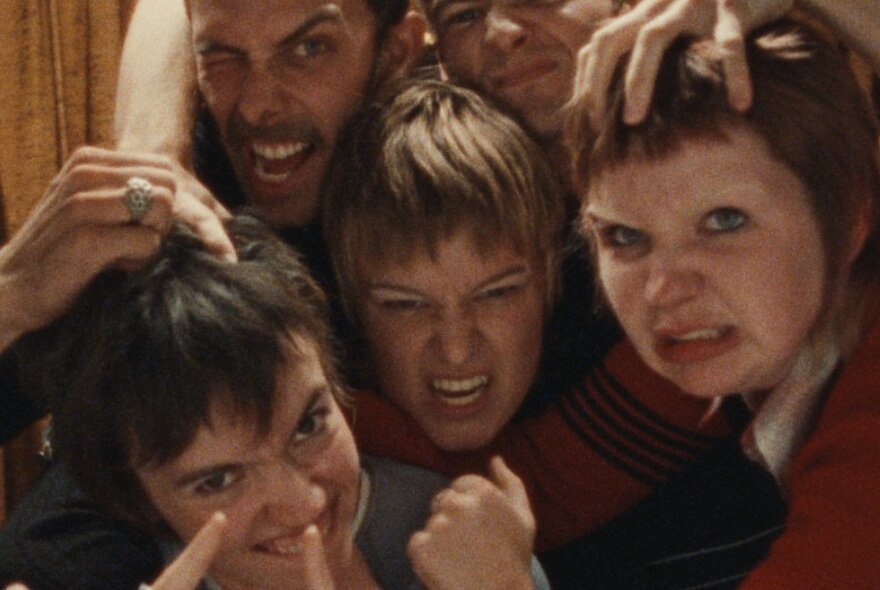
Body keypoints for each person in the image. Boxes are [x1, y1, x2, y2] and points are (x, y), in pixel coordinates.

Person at [1, 215, 550, 590]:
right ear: (138, 501)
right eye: (217, 481)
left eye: (308, 426)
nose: (303, 504)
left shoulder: (476, 553)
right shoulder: (91, 570)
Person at [570, 18, 880, 587]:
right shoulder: (754, 351)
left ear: (851, 217)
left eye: (724, 221)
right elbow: (544, 473)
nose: (663, 290)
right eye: (624, 237)